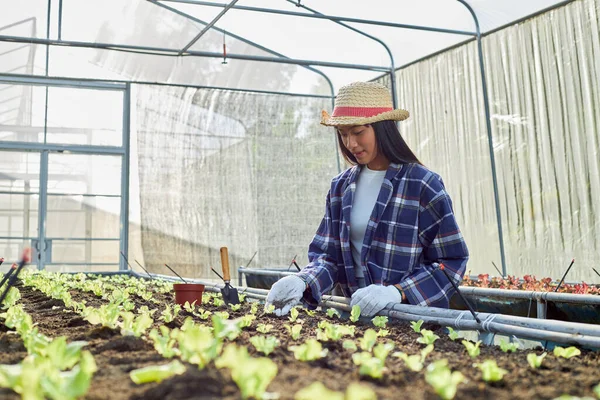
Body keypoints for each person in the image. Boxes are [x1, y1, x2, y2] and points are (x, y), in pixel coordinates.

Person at [265, 81, 469, 317]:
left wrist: (397, 292)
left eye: (358, 132)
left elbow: (450, 261)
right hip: (356, 322)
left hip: (412, 325)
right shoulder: (341, 188)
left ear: (383, 129)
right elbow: (329, 257)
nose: (350, 144)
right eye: (343, 134)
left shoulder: (421, 184)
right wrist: (303, 281)